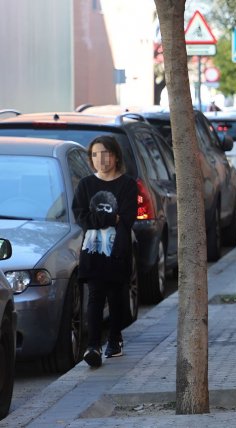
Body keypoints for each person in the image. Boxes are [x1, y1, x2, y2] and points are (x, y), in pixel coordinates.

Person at [72, 135, 138, 368]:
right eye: (95, 154)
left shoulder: (127, 185)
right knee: (95, 297)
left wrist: (99, 219)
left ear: (116, 155)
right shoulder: (86, 185)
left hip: (118, 250)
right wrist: (111, 217)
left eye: (106, 153)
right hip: (92, 251)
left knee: (117, 296)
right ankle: (93, 346)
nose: (101, 159)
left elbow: (128, 218)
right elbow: (81, 217)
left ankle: (115, 339)